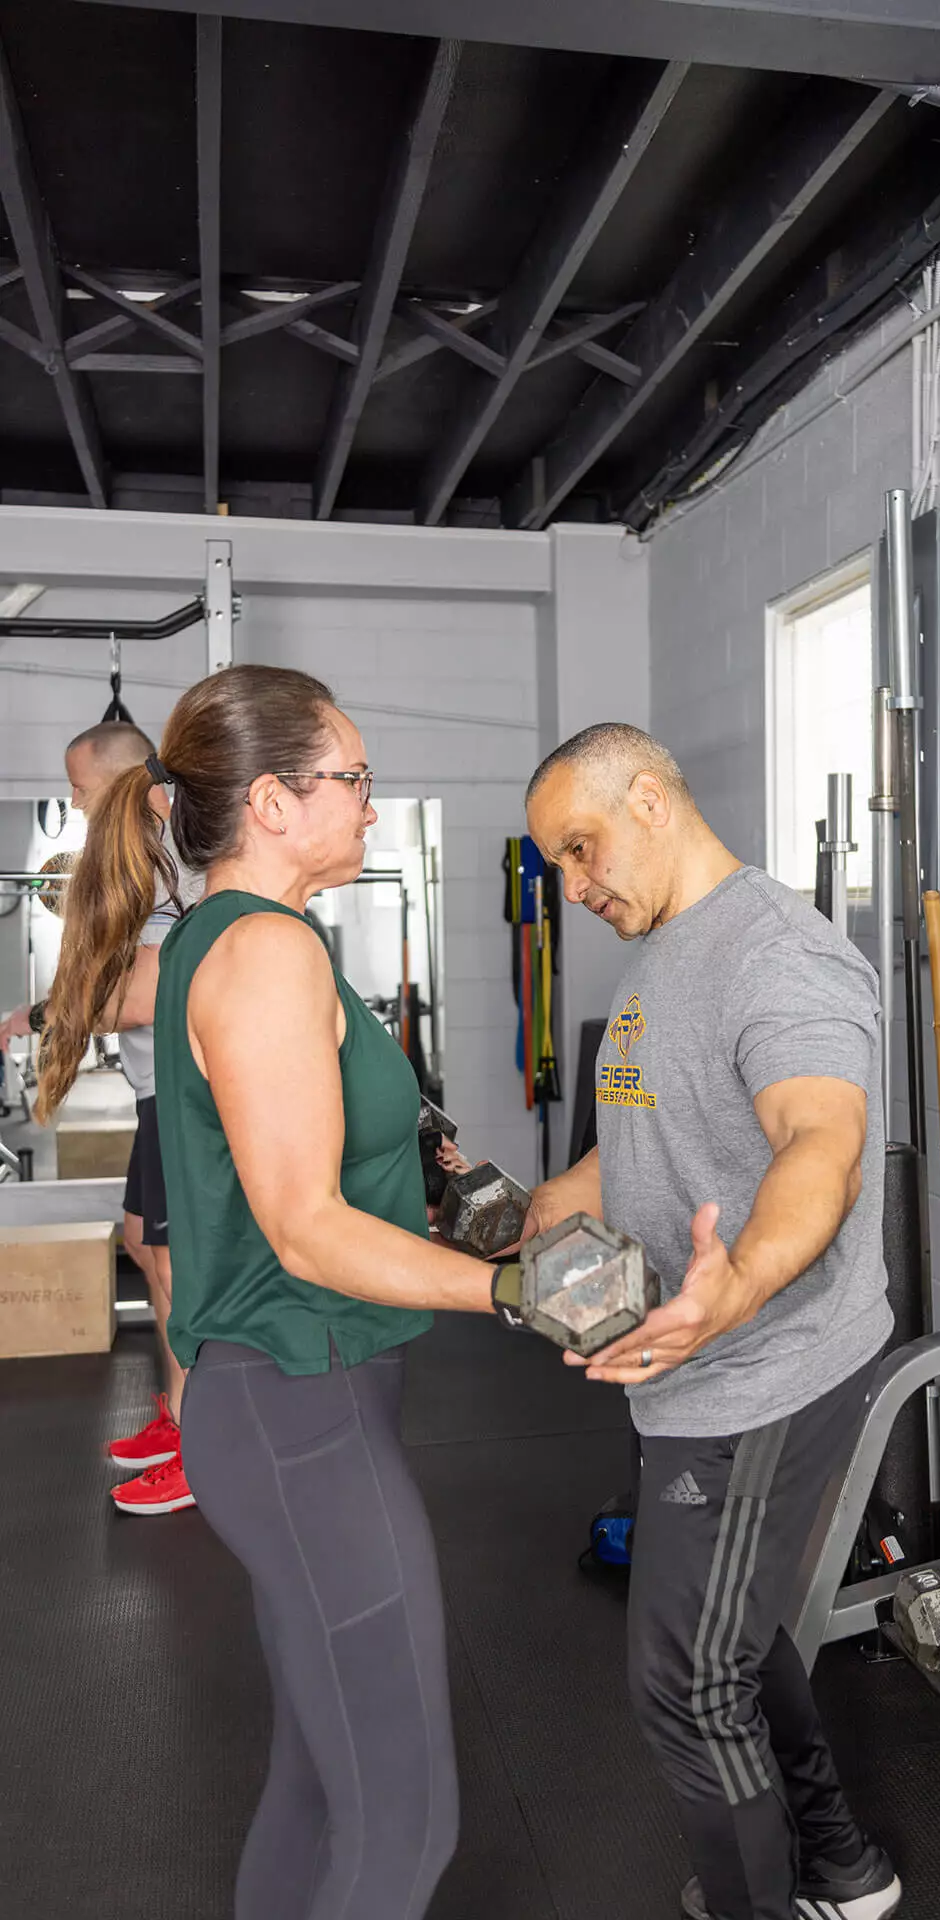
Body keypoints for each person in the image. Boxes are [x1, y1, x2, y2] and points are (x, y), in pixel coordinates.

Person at [64, 662, 503, 1920]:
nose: (372, 802)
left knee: (321, 1784)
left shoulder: (253, 938)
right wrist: (517, 1292)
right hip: (296, 1405)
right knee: (404, 1821)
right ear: (269, 800)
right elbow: (305, 1230)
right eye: (353, 778)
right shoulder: (262, 951)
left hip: (306, 1400)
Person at [524, 722, 902, 1920]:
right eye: (560, 868)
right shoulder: (658, 958)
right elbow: (648, 1130)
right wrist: (556, 1199)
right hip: (684, 1368)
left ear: (648, 797)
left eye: (581, 851)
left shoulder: (778, 958)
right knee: (732, 1638)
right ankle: (842, 1869)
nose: (576, 888)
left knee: (686, 1684)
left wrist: (735, 1282)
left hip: (765, 1371)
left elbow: (819, 1146)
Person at [3, 721, 200, 1515]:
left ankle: (199, 1437)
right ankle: (181, 1415)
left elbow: (145, 987)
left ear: (122, 780)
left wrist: (56, 1016)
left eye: (83, 790)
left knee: (174, 1268)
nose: (78, 804)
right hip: (156, 1091)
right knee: (140, 1245)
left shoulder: (163, 857)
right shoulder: (138, 857)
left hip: (184, 1093)